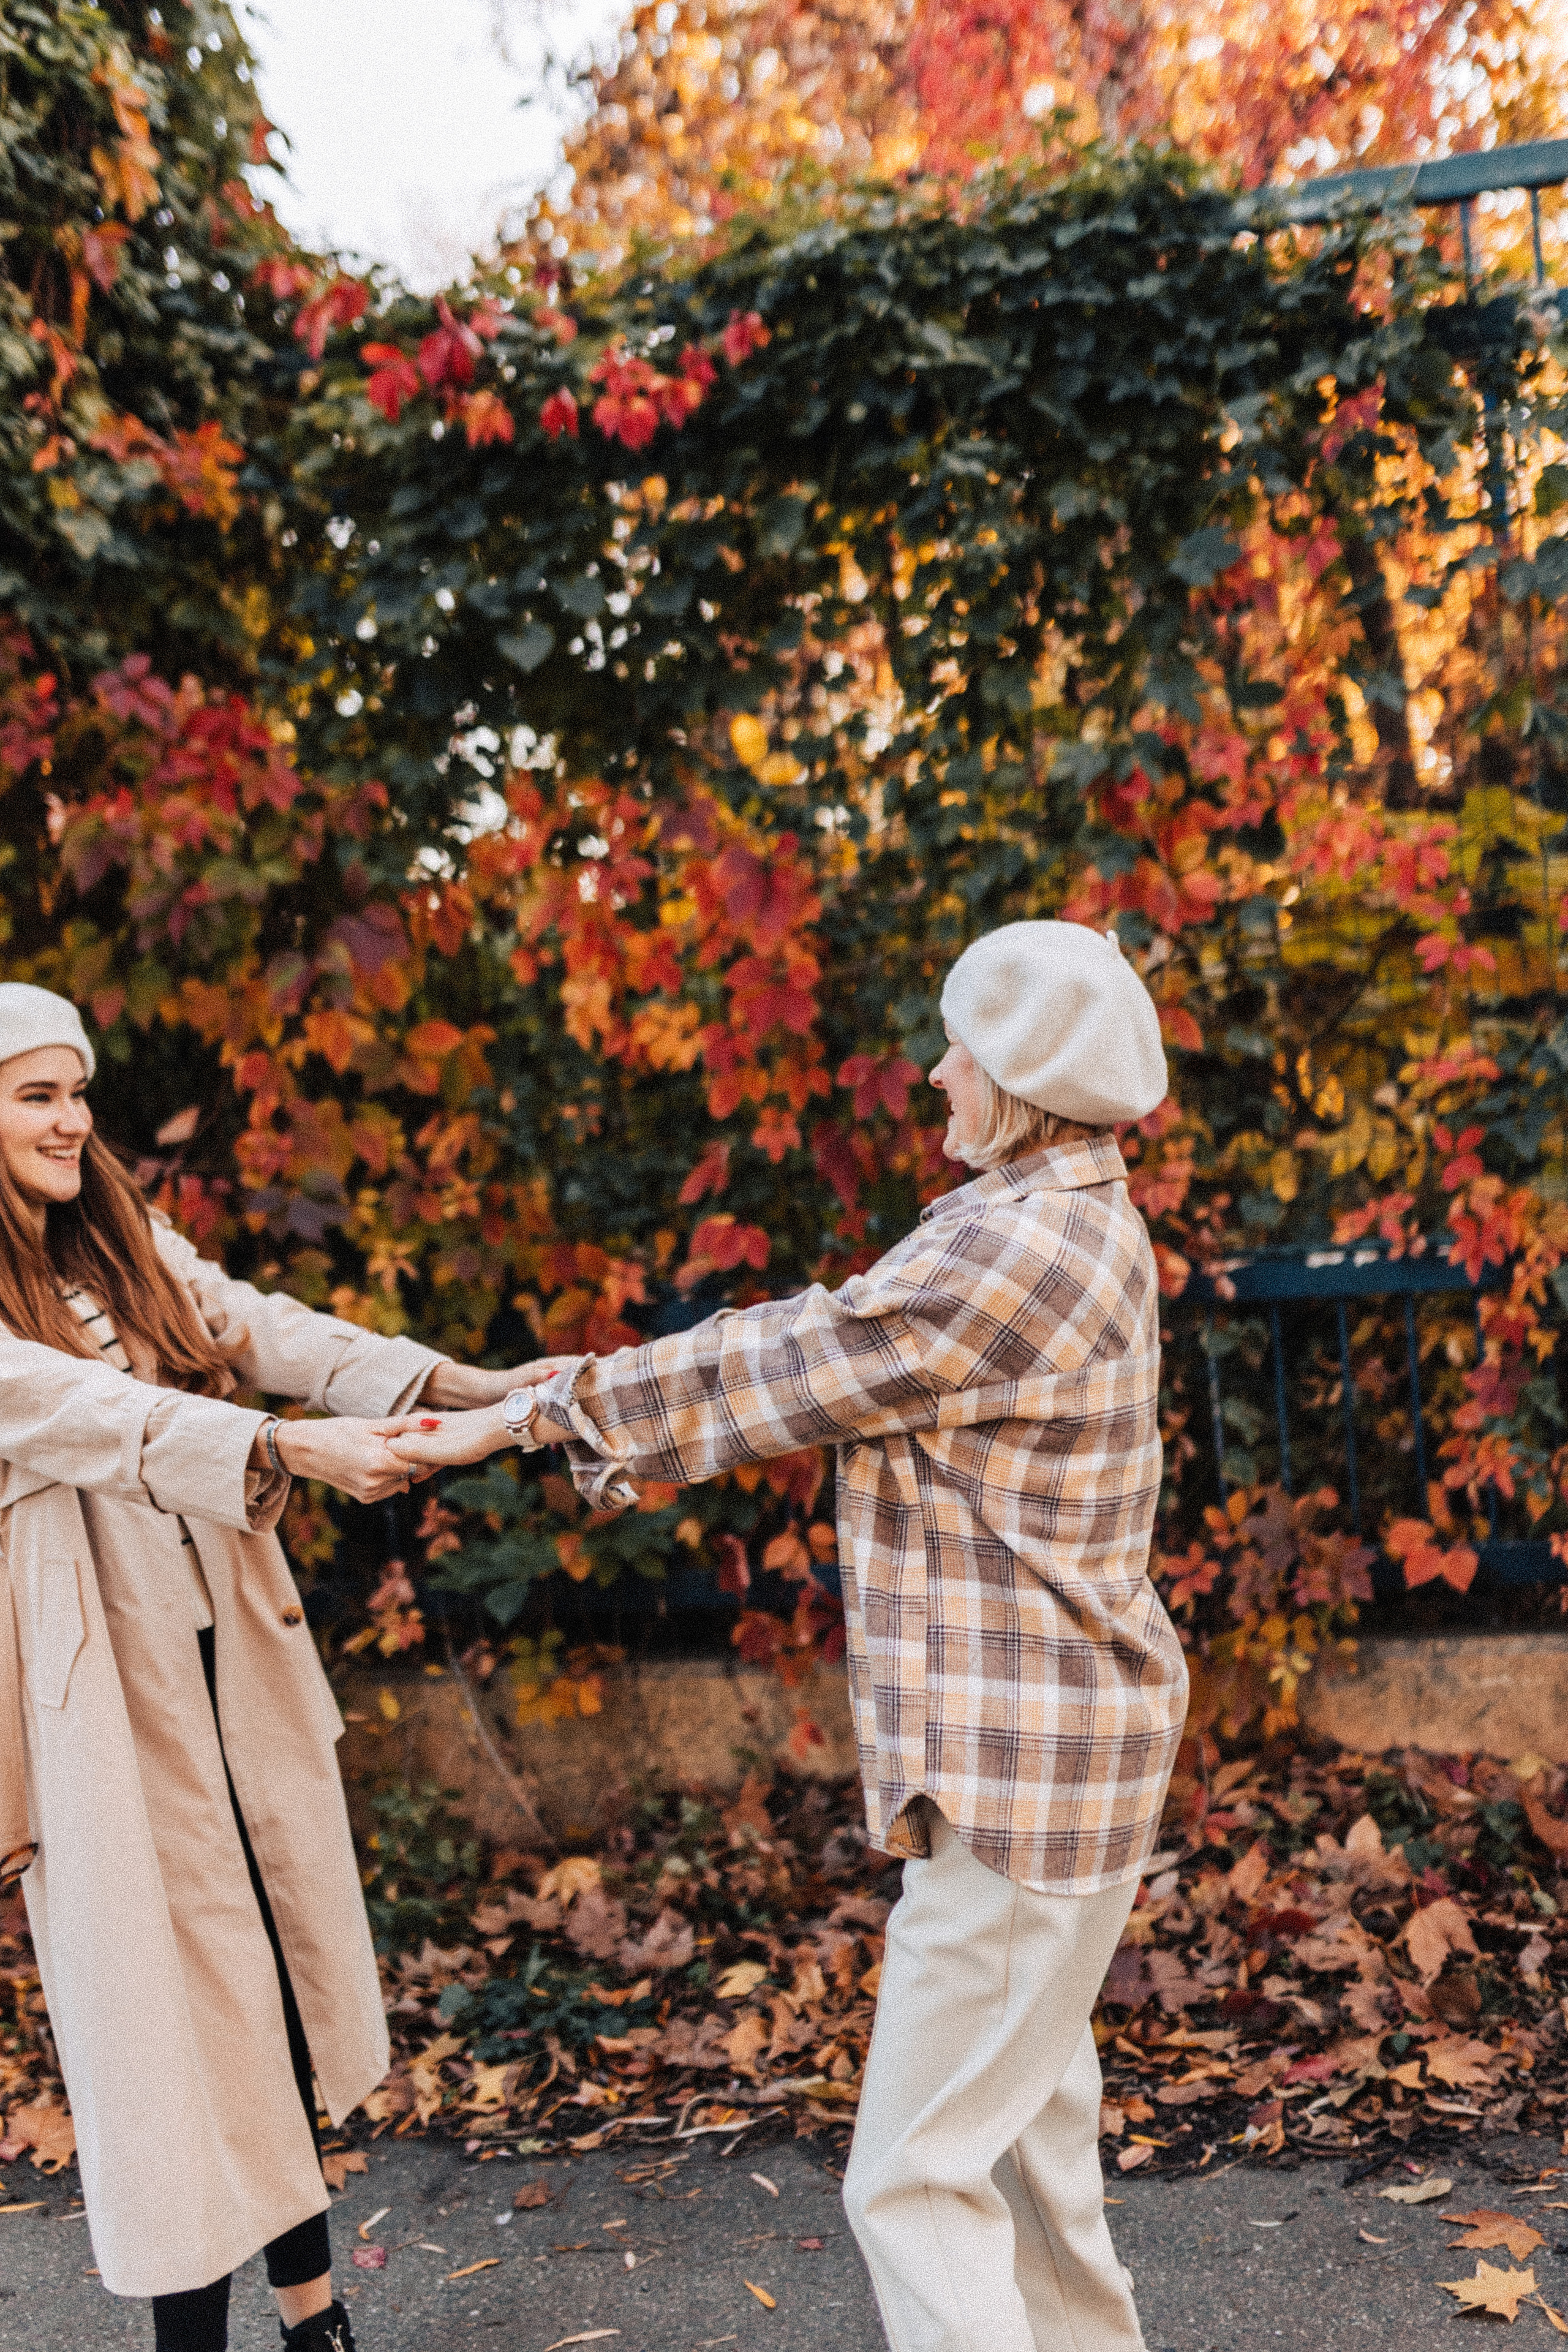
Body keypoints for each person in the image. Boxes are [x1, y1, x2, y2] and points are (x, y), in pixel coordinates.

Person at [390, 919, 1191, 2352]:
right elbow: (824, 1336)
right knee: (1021, 2151)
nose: (934, 1070)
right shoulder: (1059, 1212)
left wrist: (544, 1408)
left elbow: (796, 1357)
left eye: (959, 1046)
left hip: (1026, 1778)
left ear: (1015, 1075)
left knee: (913, 2175)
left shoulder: (1013, 1245)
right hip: (1064, 1758)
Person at [0, 984, 536, 2352]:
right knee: (160, 2049)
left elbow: (254, 1324)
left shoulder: (113, 1240)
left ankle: (316, 2327)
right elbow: (81, 1409)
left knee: (266, 2008)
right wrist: (281, 1450)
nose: (69, 1123)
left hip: (220, 1665)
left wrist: (458, 1386)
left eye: (76, 1095)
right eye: (34, 1096)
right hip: (99, 1702)